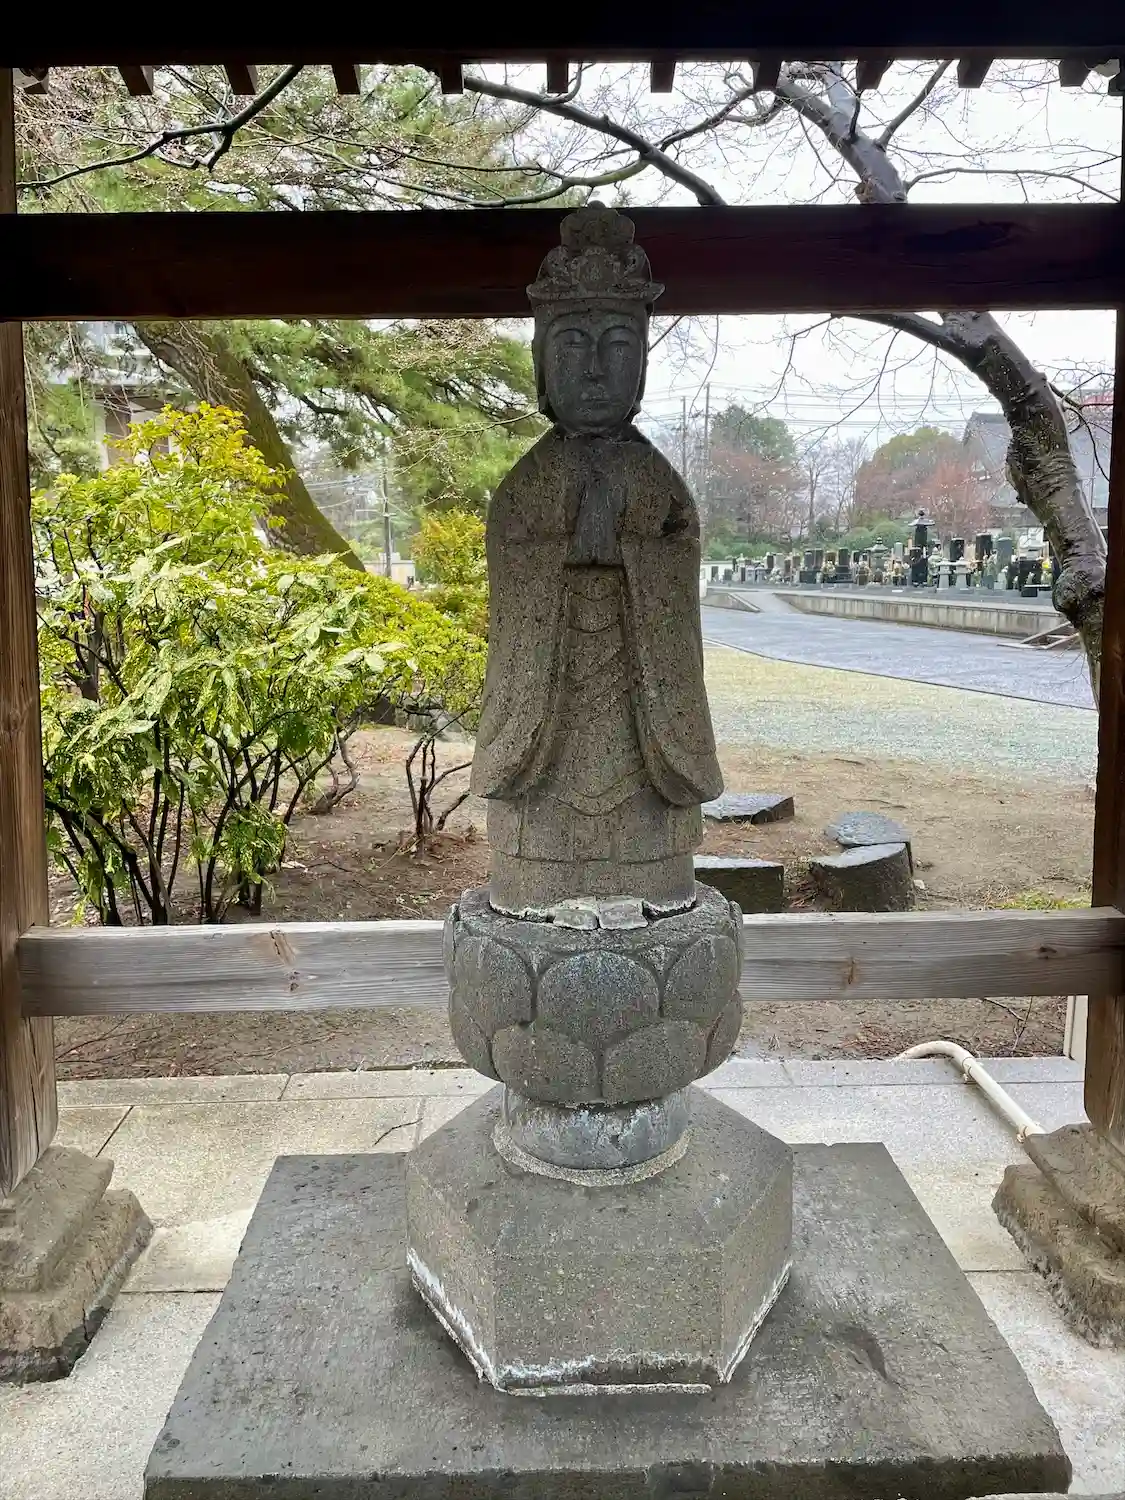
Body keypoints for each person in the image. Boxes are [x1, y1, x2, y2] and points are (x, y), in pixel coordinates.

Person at [470, 206, 722, 917]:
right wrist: (565, 553)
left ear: (640, 366)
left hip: (643, 725)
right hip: (544, 725)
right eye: (572, 346)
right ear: (540, 365)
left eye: (617, 348)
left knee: (646, 846)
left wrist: (633, 555)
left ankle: (651, 877)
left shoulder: (657, 481)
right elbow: (513, 581)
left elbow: (676, 569)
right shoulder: (526, 484)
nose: (592, 370)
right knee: (539, 843)